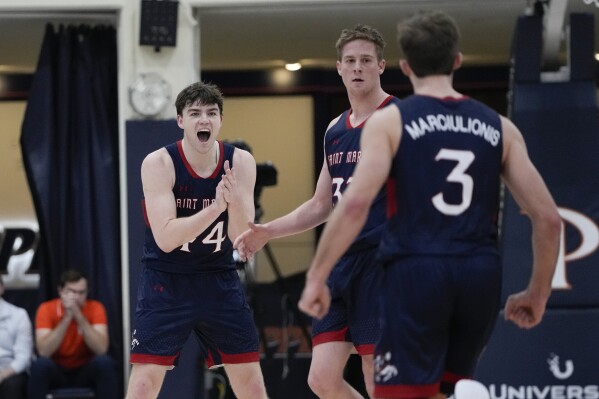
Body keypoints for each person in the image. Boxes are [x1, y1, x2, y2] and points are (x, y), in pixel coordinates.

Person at [298, 10, 561, 399]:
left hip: (418, 270)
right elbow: (549, 219)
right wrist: (537, 294)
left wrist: (317, 275)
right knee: (438, 388)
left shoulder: (391, 122)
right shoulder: (499, 126)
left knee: (397, 391)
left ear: (403, 66)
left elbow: (352, 206)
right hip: (479, 276)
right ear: (457, 60)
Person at [234, 24, 401, 399]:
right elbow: (321, 204)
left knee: (378, 375)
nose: (358, 67)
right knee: (321, 379)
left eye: (366, 60)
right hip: (340, 263)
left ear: (381, 66)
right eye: (351, 61)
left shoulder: (398, 118)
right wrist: (267, 231)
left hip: (382, 262)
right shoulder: (334, 129)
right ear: (339, 68)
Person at [125, 81, 268, 399]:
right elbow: (165, 238)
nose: (204, 120)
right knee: (143, 386)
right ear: (181, 121)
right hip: (167, 282)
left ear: (220, 120)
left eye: (211, 113)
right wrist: (215, 207)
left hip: (218, 279)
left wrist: (233, 204)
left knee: (253, 387)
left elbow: (239, 240)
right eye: (195, 113)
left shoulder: (240, 162)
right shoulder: (158, 163)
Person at [28, 269, 117, 399]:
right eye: (71, 292)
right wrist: (67, 318)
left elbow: (101, 349)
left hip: (85, 369)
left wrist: (78, 315)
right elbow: (43, 351)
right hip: (57, 369)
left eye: (81, 292)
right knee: (40, 365)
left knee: (105, 363)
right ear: (60, 291)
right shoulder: (46, 309)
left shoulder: (96, 308)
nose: (76, 297)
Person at [0, 274, 33, 399]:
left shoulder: (19, 315)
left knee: (12, 385)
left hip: (10, 371)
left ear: (1, 288)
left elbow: (23, 358)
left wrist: (2, 375)